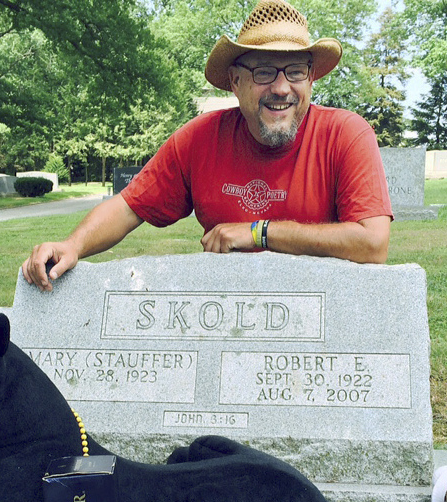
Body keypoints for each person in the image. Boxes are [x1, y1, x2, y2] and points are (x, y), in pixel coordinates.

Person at [22, 0, 393, 291]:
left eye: (295, 71)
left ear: (311, 78)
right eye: (264, 72)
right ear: (235, 81)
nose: (282, 88)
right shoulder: (200, 140)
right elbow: (128, 206)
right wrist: (72, 245)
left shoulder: (346, 134)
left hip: (322, 318)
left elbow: (372, 243)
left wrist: (257, 232)